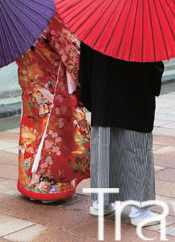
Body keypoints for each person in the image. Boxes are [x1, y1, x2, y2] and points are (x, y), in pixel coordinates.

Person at [79, 42, 164, 226]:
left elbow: (84, 64)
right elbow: (154, 66)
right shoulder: (143, 21)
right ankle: (139, 209)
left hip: (103, 93)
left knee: (103, 146)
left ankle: (100, 202)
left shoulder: (92, 19)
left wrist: (90, 95)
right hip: (136, 93)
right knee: (136, 148)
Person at [16, 12, 91, 202]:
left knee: (32, 130)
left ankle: (28, 182)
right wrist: (84, 78)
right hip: (52, 83)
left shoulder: (17, 16)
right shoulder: (51, 15)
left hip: (30, 82)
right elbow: (71, 51)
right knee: (53, 132)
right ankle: (47, 187)